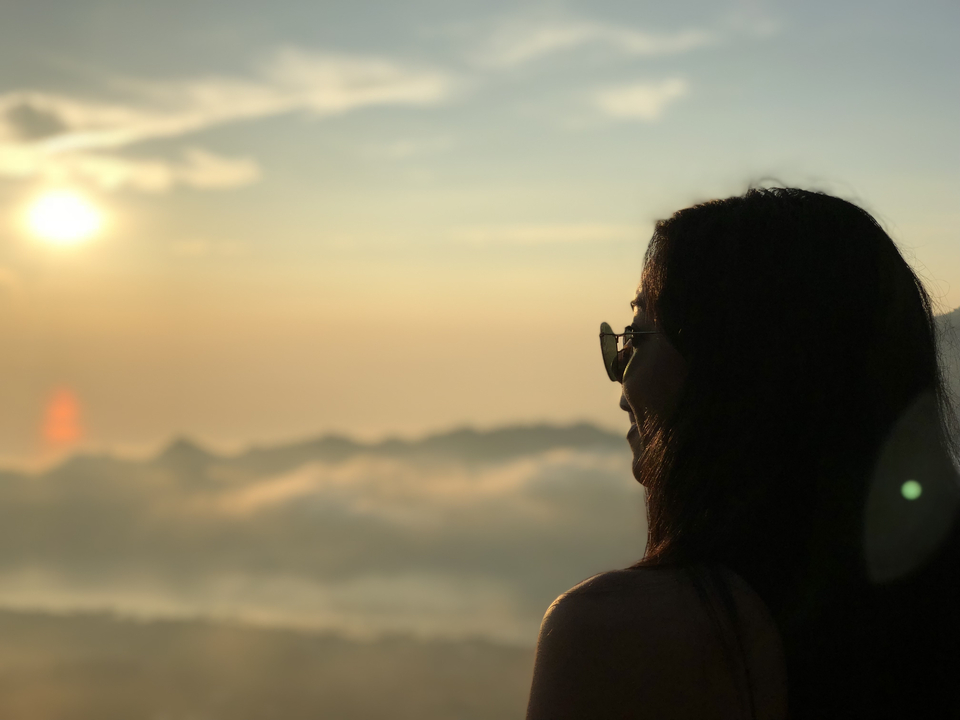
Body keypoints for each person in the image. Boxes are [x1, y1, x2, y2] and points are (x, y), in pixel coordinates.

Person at [525, 188, 960, 720]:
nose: (622, 378)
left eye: (638, 333)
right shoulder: (926, 620)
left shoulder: (618, 636)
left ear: (731, 371)